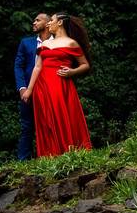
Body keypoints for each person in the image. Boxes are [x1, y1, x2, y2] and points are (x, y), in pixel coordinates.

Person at [21, 12, 92, 157]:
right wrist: (29, 90)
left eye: (51, 20)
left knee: (63, 116)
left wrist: (72, 72)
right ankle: (49, 154)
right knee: (45, 120)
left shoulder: (71, 43)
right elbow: (38, 67)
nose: (48, 23)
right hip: (42, 87)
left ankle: (67, 151)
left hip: (61, 86)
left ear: (59, 22)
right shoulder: (46, 44)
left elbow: (85, 65)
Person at [13, 12, 51, 161]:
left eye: (38, 20)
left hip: (49, 90)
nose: (34, 22)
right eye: (34, 20)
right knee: (27, 126)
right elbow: (18, 65)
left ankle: (49, 157)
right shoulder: (26, 43)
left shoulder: (57, 43)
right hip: (28, 91)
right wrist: (22, 88)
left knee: (49, 124)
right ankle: (23, 160)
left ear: (47, 23)